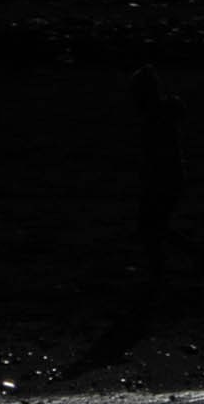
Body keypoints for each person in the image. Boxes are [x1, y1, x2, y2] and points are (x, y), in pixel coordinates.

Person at [64, 70, 186, 381]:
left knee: (151, 230)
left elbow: (158, 155)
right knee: (154, 229)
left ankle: (162, 275)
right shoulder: (161, 115)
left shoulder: (154, 118)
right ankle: (166, 271)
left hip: (162, 180)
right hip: (166, 179)